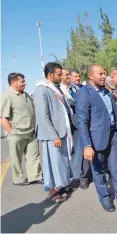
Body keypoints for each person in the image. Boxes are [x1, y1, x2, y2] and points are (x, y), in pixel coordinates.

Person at [75, 64, 117, 212]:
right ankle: (105, 199)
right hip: (96, 139)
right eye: (100, 74)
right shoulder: (84, 93)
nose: (103, 76)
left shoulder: (106, 91)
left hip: (113, 134)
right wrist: (87, 145)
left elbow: (114, 112)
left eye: (104, 73)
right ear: (90, 76)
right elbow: (82, 121)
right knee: (98, 170)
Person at [33, 62, 73, 203]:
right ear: (50, 75)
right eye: (59, 74)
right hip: (53, 135)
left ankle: (61, 186)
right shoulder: (42, 90)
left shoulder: (55, 88)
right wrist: (53, 136)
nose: (61, 76)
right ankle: (53, 191)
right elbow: (43, 117)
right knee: (54, 164)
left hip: (61, 132)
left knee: (61, 162)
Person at [1, 73, 42, 185]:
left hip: (30, 131)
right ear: (13, 82)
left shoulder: (26, 95)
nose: (25, 83)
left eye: (24, 81)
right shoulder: (7, 96)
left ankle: (35, 176)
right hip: (17, 133)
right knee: (16, 158)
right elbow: (3, 117)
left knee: (33, 155)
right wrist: (11, 132)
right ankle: (18, 179)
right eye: (22, 81)